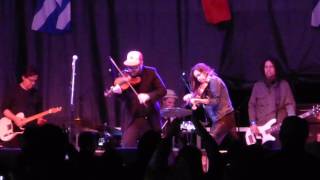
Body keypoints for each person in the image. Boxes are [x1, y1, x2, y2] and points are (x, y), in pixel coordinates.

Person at [107, 50, 166, 147]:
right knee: (127, 146)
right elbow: (123, 99)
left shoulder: (151, 73)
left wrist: (148, 96)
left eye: (134, 67)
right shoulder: (123, 76)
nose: (131, 70)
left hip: (150, 118)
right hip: (132, 118)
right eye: (129, 67)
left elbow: (162, 90)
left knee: (152, 148)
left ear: (141, 63)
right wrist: (119, 93)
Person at [183, 62, 237, 145]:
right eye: (196, 77)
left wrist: (199, 100)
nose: (198, 78)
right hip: (221, 117)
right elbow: (203, 98)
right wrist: (191, 97)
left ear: (205, 71)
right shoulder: (207, 84)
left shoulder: (214, 80)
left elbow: (215, 101)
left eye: (199, 75)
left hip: (224, 117)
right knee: (235, 143)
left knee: (210, 143)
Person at [248, 58, 296, 150]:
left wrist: (291, 123)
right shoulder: (258, 86)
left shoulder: (284, 85)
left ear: (276, 68)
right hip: (260, 130)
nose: (268, 69)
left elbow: (290, 105)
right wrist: (253, 123)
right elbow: (251, 105)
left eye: (271, 66)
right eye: (266, 67)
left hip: (279, 129)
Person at [1, 66, 47, 147]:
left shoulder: (36, 94)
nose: (33, 83)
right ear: (23, 77)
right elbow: (4, 109)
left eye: (35, 81)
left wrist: (40, 120)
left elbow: (39, 112)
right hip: (14, 132)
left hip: (31, 131)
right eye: (31, 80)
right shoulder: (13, 90)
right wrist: (15, 119)